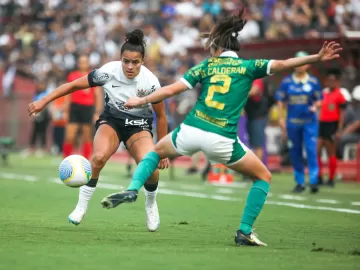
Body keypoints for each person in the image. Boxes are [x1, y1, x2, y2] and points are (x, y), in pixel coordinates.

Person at [99, 9, 342, 246]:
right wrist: (316, 57)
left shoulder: (207, 66)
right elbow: (284, 64)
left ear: (217, 49)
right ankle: (244, 231)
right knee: (263, 176)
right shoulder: (248, 67)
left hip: (191, 131)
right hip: (222, 139)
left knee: (153, 154)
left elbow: (172, 89)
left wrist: (141, 100)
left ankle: (132, 189)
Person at [28, 29, 170, 232]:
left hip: (138, 126)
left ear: (143, 61)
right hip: (112, 121)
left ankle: (151, 204)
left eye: (135, 62)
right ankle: (81, 206)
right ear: (120, 59)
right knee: (98, 158)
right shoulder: (108, 72)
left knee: (151, 170)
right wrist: (43, 100)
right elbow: (72, 86)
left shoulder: (151, 82)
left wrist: (162, 149)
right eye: (126, 61)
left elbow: (162, 117)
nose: (129, 66)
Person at [276, 51, 323, 194]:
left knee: (310, 150)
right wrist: (281, 118)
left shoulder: (314, 82)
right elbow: (280, 101)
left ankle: (314, 180)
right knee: (295, 152)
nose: (299, 65)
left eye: (302, 62)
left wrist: (316, 106)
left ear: (307, 65)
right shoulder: (287, 82)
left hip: (310, 123)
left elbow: (320, 100)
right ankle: (300, 182)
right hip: (292, 123)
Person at [63, 55, 103, 160]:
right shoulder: (72, 75)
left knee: (87, 136)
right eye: (81, 62)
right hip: (74, 107)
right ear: (78, 63)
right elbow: (68, 93)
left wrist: (97, 112)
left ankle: (85, 161)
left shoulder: (93, 76)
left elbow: (98, 95)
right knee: (70, 136)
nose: (83, 64)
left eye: (85, 62)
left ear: (88, 63)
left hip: (88, 108)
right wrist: (66, 111)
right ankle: (66, 160)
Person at [317, 68, 347, 187]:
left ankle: (331, 179)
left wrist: (339, 129)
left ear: (337, 82)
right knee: (317, 150)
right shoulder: (323, 94)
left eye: (332, 81)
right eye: (328, 80)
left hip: (332, 125)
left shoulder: (339, 95)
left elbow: (342, 114)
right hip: (321, 124)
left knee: (331, 152)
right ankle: (318, 177)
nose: (330, 83)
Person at [244, 78, 269, 162]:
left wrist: (237, 96)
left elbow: (254, 90)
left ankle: (257, 172)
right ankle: (253, 169)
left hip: (259, 117)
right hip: (251, 116)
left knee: (258, 145)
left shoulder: (257, 78)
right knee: (253, 144)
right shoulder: (248, 79)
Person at [338, 86, 360, 158]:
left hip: (357, 135)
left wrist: (343, 133)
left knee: (343, 138)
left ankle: (340, 159)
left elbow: (356, 125)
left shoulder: (351, 109)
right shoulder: (354, 109)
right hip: (355, 133)